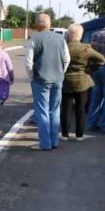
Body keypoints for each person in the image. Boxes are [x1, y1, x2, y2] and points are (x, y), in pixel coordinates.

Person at [24, 13, 70, 151]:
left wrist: (32, 76)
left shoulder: (33, 39)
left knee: (42, 111)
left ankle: (45, 143)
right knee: (54, 110)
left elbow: (28, 63)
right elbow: (67, 59)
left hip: (41, 79)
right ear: (49, 24)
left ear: (37, 24)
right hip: (58, 79)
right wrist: (61, 72)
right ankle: (54, 141)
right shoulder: (61, 39)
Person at [61, 24, 105, 141]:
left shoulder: (63, 47)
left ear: (69, 35)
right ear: (81, 35)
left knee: (65, 108)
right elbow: (102, 59)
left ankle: (64, 134)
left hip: (65, 81)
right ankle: (79, 135)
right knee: (80, 109)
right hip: (82, 81)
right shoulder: (86, 48)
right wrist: (90, 68)